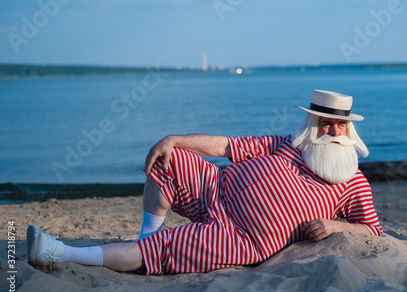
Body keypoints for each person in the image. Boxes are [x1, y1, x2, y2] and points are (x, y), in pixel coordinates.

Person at [27, 90, 382, 274]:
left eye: (340, 126)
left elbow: (373, 230)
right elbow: (225, 145)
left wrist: (335, 224)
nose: (333, 132)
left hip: (243, 238)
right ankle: (147, 236)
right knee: (168, 160)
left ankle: (62, 253)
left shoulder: (352, 180)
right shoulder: (286, 144)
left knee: (164, 249)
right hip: (215, 187)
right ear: (311, 125)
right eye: (325, 123)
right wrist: (175, 139)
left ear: (350, 130)